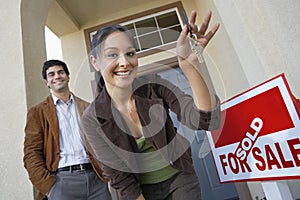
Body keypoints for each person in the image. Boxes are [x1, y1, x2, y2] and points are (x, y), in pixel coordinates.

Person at [82, 10, 221, 200]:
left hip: (180, 179)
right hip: (136, 191)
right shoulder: (92, 118)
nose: (124, 62)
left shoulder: (154, 85)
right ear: (95, 62)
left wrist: (190, 66)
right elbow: (120, 178)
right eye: (112, 54)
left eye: (130, 53)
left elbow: (204, 121)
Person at [23, 59, 112, 200]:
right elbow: (31, 154)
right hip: (62, 182)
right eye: (51, 74)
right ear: (46, 82)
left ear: (68, 76)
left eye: (60, 72)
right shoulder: (37, 112)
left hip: (96, 180)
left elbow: (103, 142)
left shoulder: (87, 107)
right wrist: (48, 187)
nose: (57, 76)